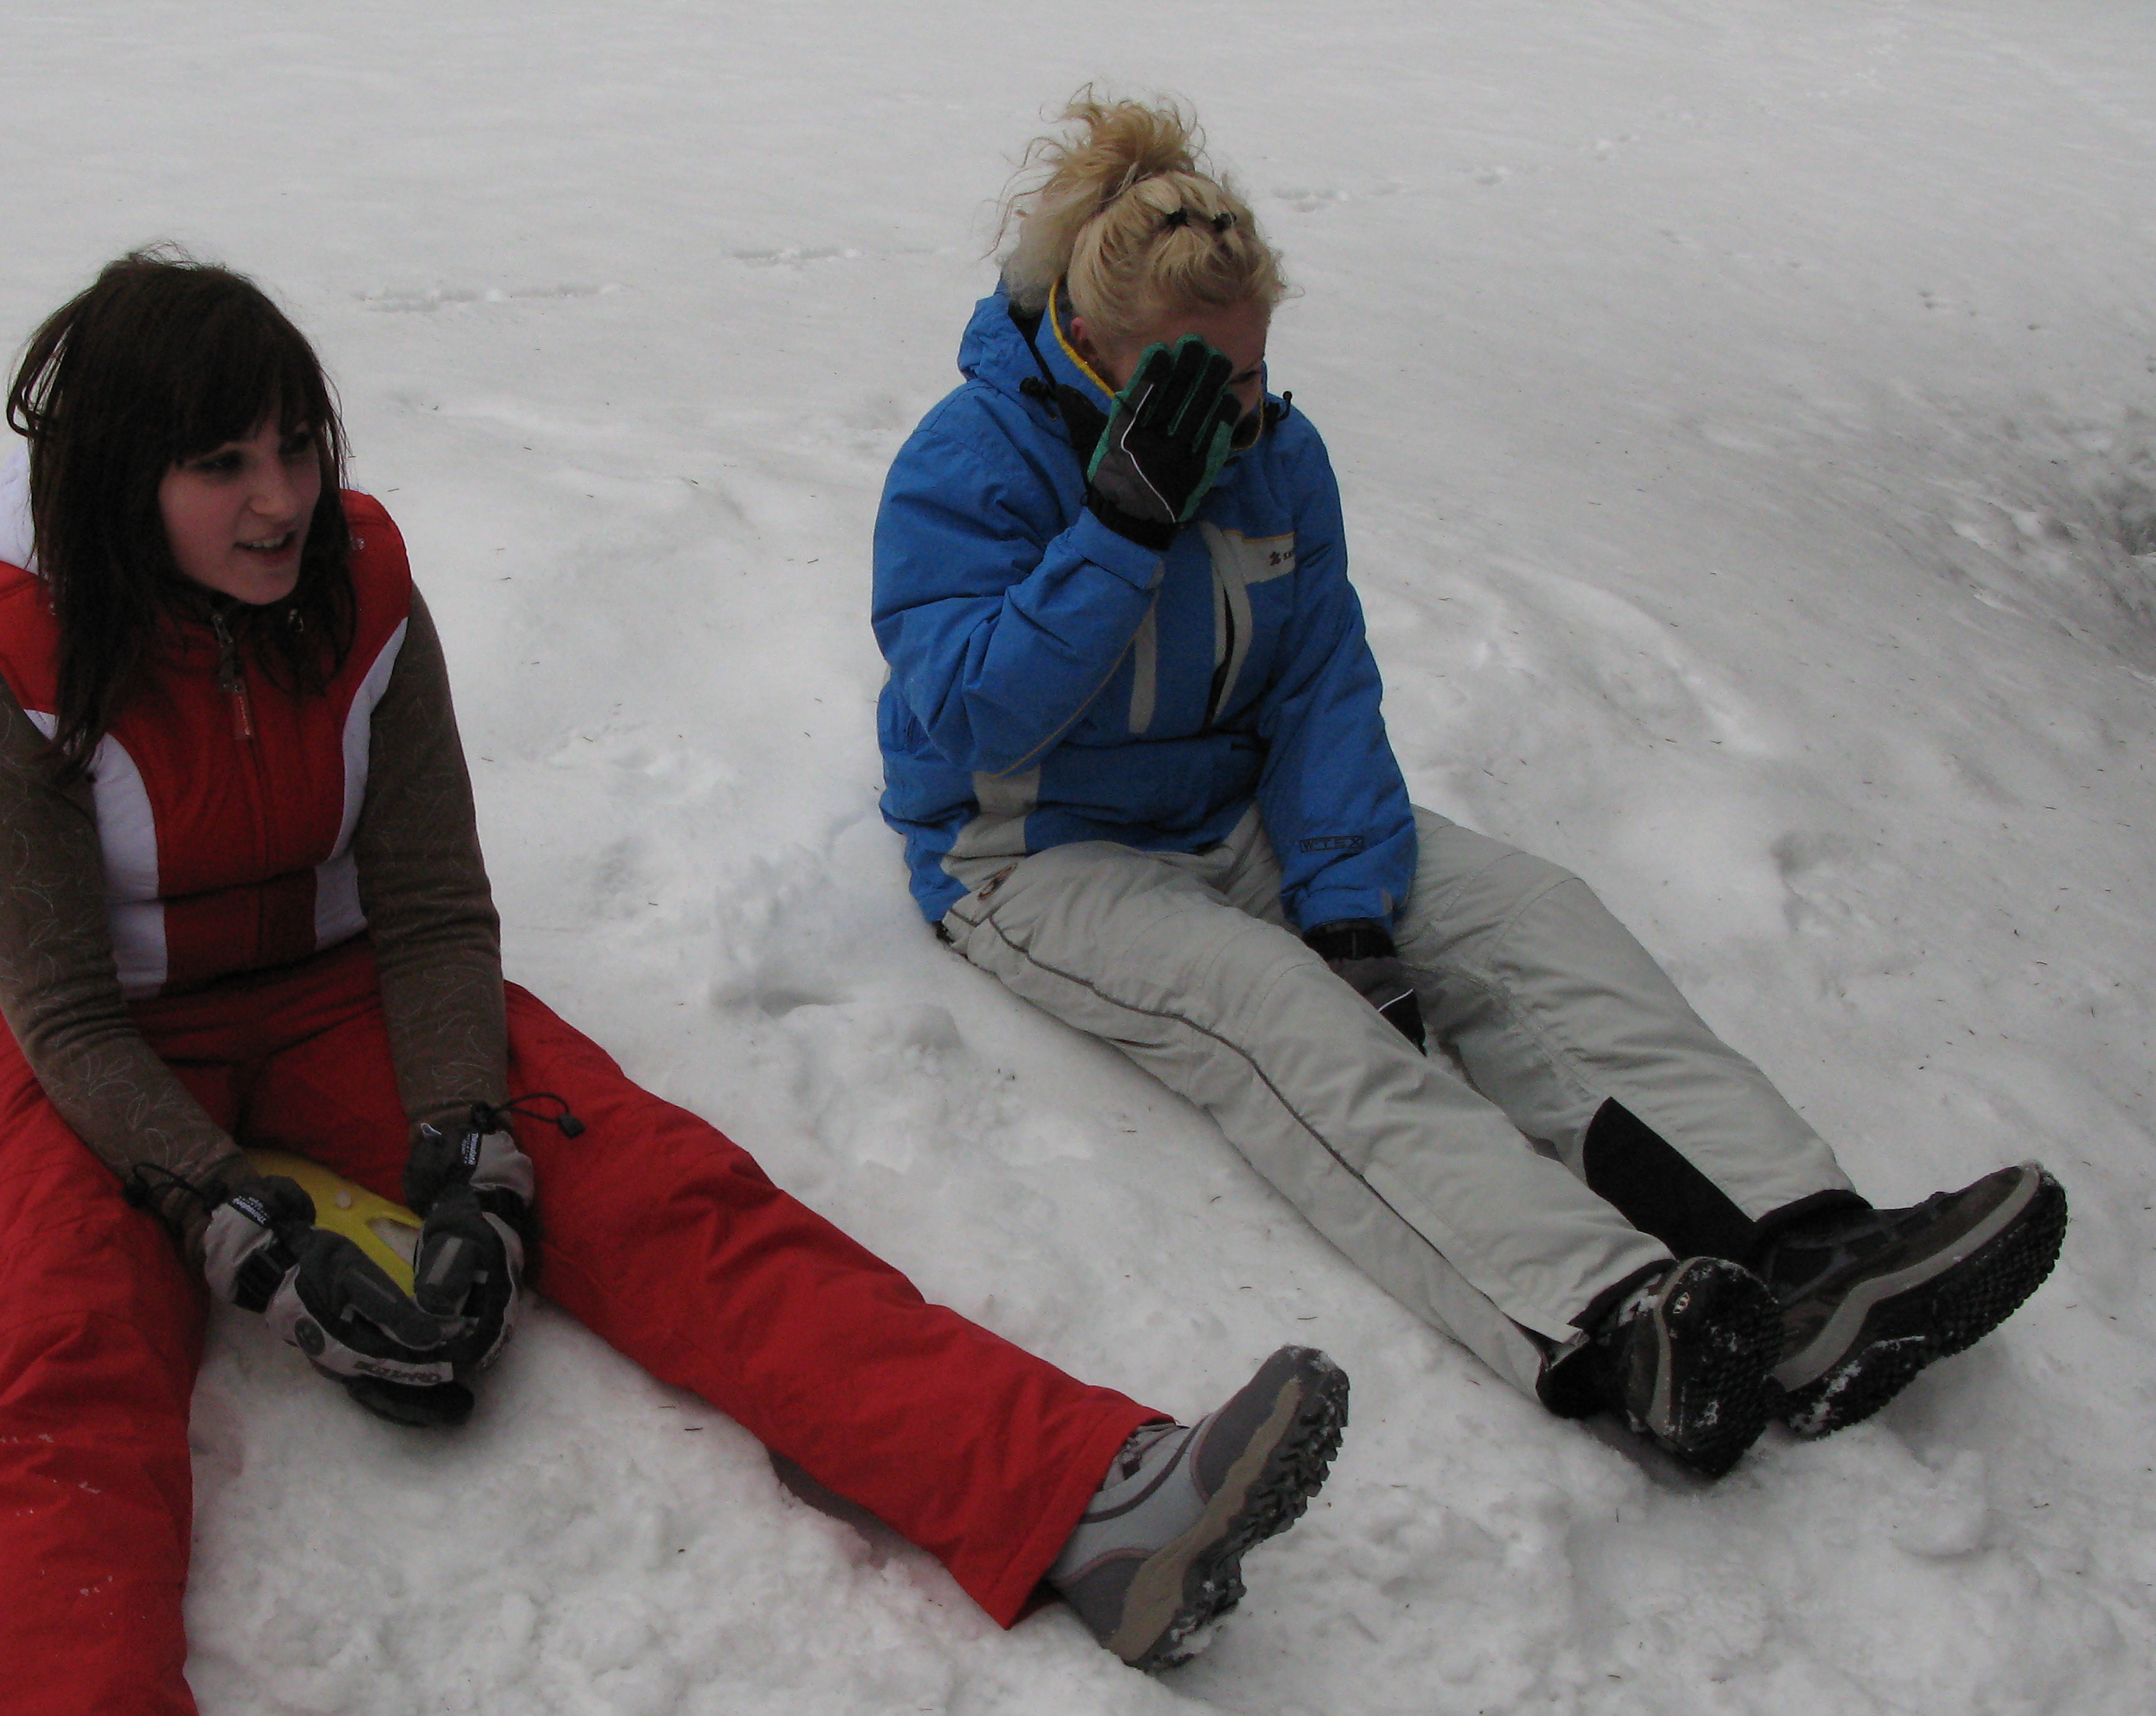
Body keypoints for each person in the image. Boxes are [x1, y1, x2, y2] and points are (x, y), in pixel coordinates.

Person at [0, 249, 1350, 1716]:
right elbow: (67, 1016)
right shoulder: (10, 654)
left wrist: (472, 1150)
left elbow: (432, 906)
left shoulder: (362, 587)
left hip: (345, 983)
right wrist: (233, 1218)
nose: (281, 497)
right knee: (64, 1354)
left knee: (657, 1192)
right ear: (118, 479)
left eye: (298, 447)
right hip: (98, 1039)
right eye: (222, 464)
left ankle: (1099, 1504)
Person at [871, 93, 2064, 1478]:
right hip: (1037, 855)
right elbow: (968, 716)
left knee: (1534, 922)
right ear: (1096, 348)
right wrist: (1120, 527)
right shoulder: (971, 460)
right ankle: (1619, 1325)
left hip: (1231, 811)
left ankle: (1807, 1252)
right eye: (1206, 384)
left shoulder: (1276, 458)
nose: (1243, 413)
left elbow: (1319, 685)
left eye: (1256, 373)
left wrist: (1349, 904)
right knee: (1282, 1017)